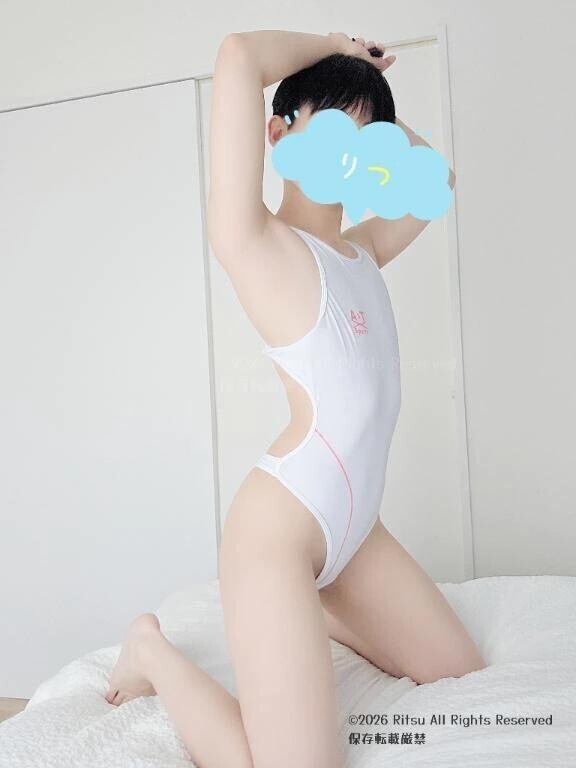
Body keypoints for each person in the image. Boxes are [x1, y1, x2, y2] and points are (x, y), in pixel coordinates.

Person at [104, 30, 487, 768]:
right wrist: (338, 50)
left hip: (356, 535)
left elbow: (435, 177)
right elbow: (238, 56)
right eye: (335, 132)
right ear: (279, 135)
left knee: (456, 670)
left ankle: (311, 613)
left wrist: (367, 98)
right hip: (277, 538)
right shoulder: (257, 242)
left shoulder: (365, 250)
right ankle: (151, 652)